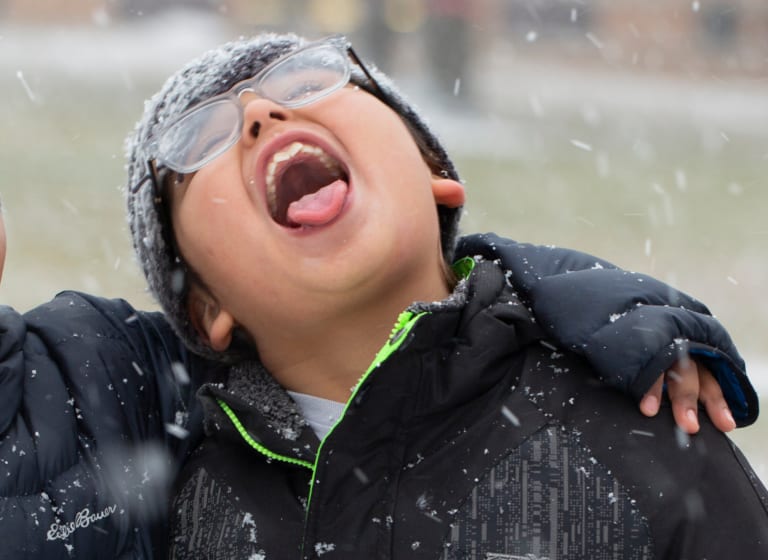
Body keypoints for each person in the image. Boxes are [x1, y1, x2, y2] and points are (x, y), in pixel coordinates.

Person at [0, 32, 764, 559]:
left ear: (436, 176)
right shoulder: (170, 473)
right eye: (199, 142)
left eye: (308, 79)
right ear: (204, 309)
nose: (262, 113)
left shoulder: (645, 446)